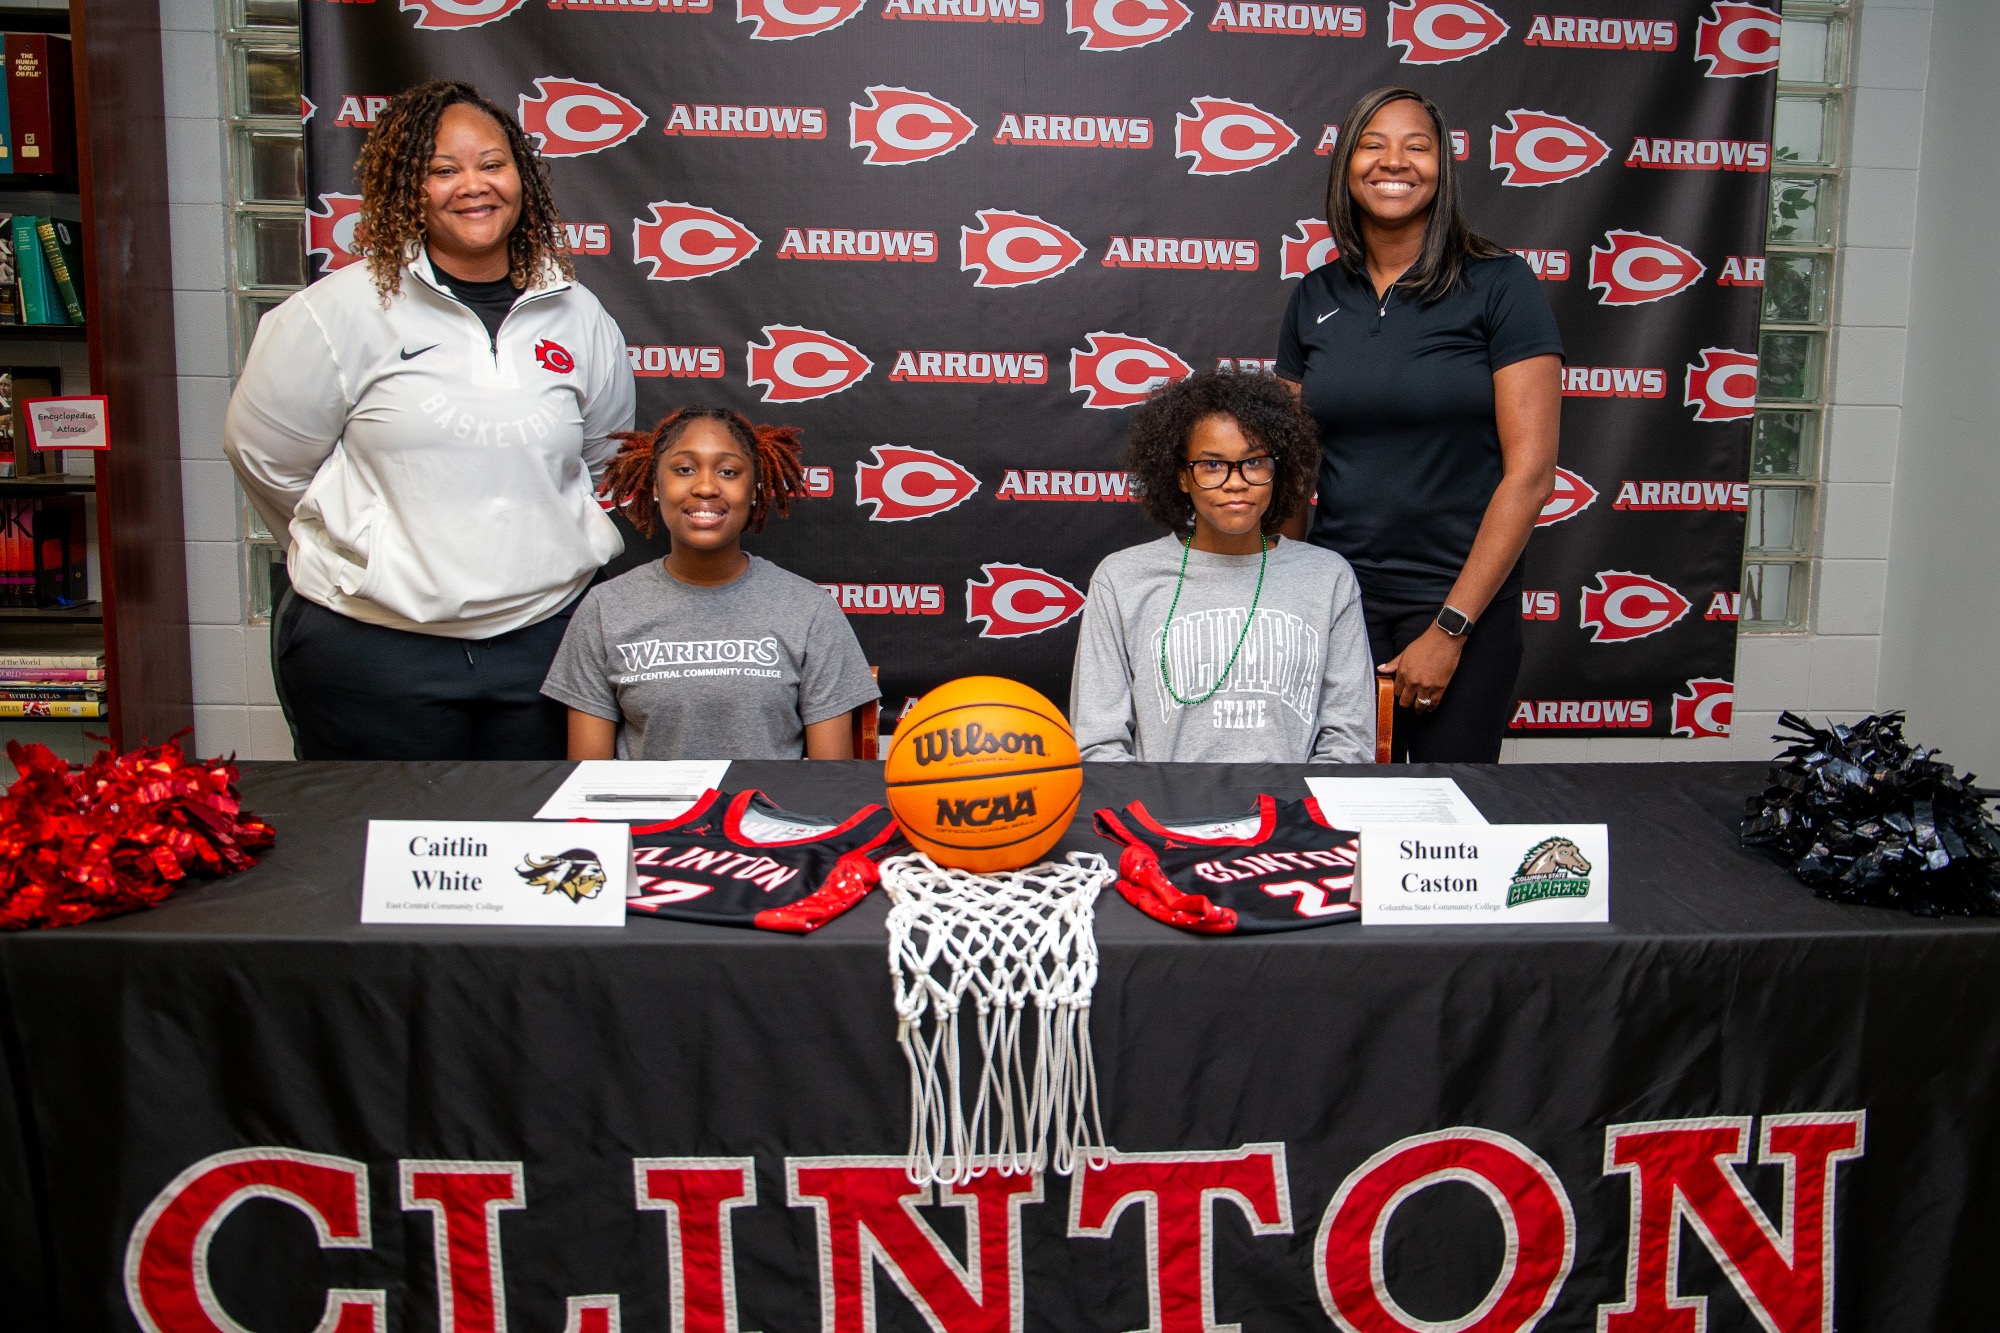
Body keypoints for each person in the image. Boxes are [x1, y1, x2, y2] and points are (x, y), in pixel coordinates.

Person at [223, 80, 636, 760]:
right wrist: (367, 547)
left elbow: (598, 464)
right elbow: (264, 458)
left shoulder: (579, 314)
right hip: (371, 652)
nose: (472, 185)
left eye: (492, 164)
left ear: (522, 176)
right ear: (406, 188)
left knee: (536, 853)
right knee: (375, 853)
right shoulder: (338, 312)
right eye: (442, 170)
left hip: (545, 646)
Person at [1277, 86, 1564, 762]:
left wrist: (1451, 628)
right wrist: (1283, 603)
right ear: (1347, 165)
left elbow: (1531, 475)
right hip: (1339, 605)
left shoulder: (1500, 284)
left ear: (1443, 166)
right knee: (1336, 818)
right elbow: (1291, 473)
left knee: (1447, 823)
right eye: (1372, 144)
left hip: (1461, 607)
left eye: (1417, 146)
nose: (1393, 162)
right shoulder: (1315, 296)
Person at [1069, 369, 1375, 764]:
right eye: (1212, 465)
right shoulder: (1122, 579)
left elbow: (1349, 742)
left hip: (1293, 818)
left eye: (1254, 462)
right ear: (1182, 475)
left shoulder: (1327, 578)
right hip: (1162, 818)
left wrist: (1297, 819)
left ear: (1277, 471)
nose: (1236, 482)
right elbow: (1099, 745)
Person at [541, 407, 879, 761]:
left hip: (766, 815)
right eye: (684, 469)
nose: (705, 486)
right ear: (656, 485)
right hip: (649, 816)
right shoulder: (604, 609)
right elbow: (587, 781)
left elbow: (828, 780)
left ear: (753, 489)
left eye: (728, 472)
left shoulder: (809, 610)